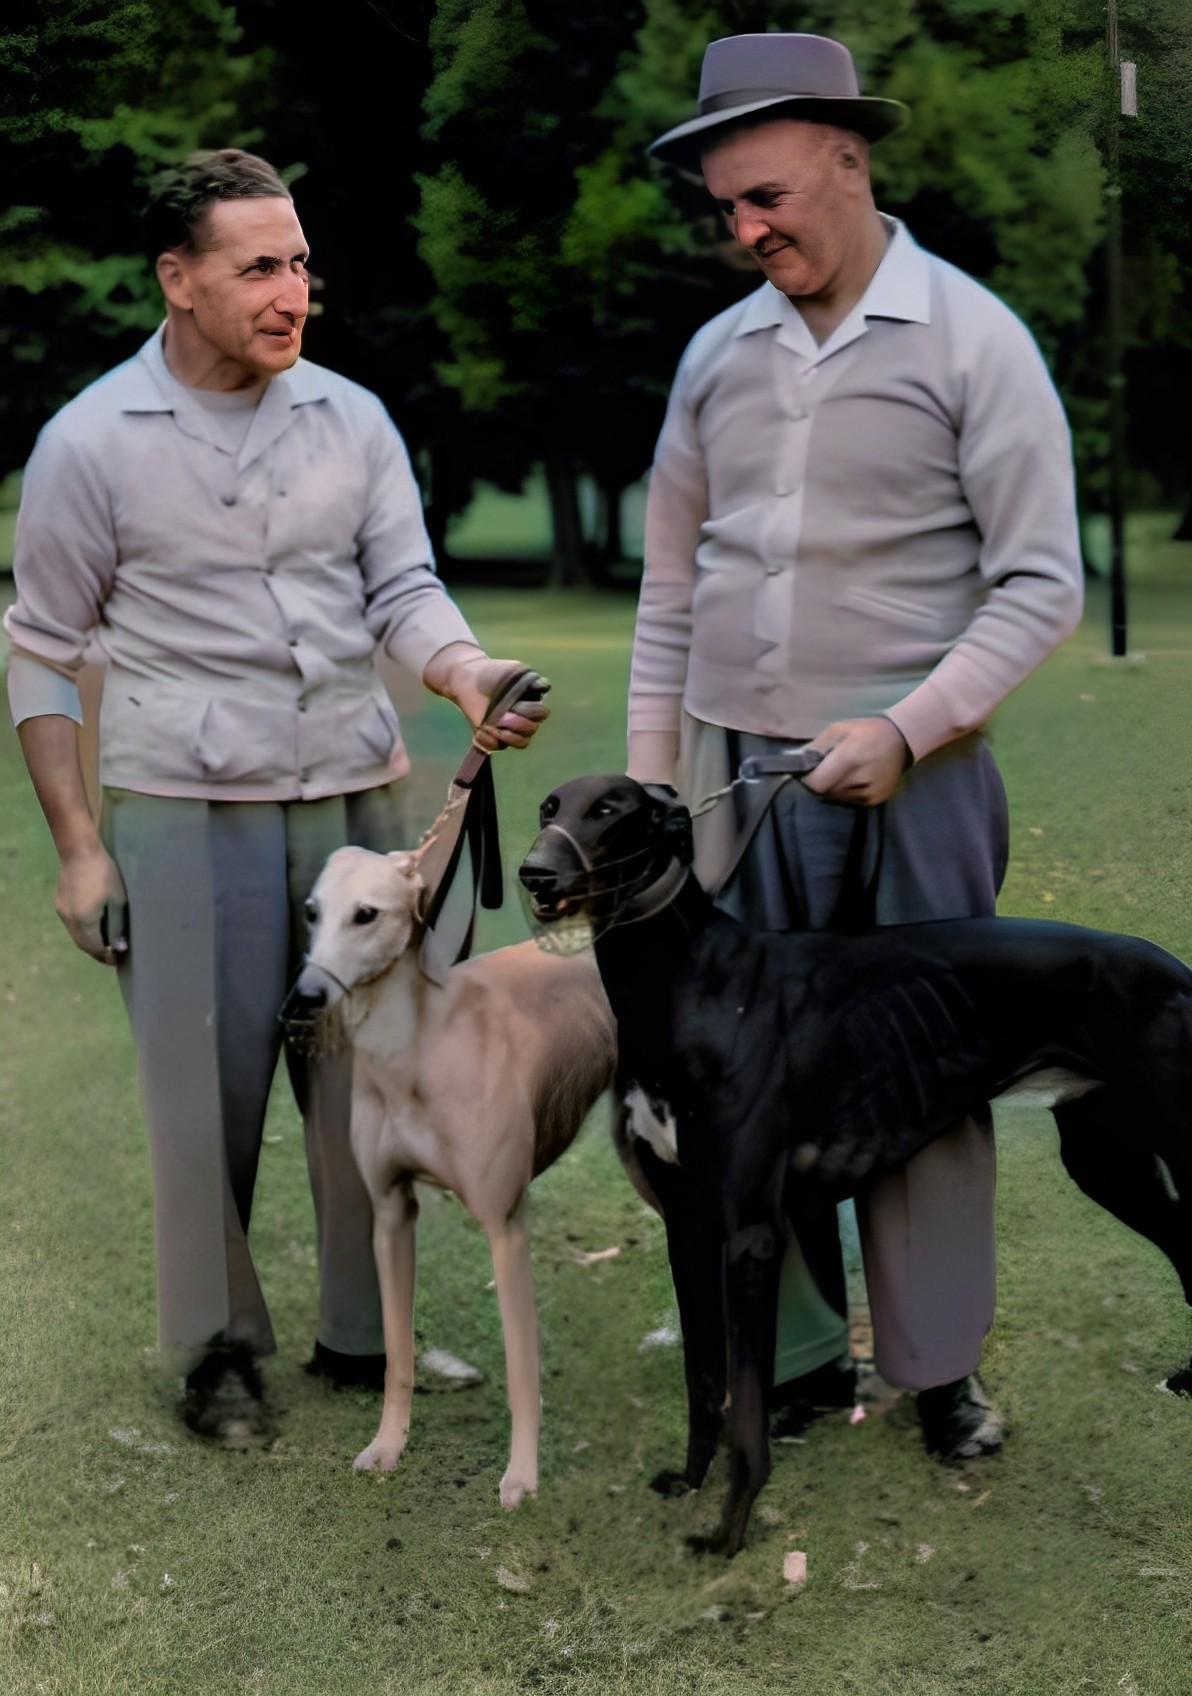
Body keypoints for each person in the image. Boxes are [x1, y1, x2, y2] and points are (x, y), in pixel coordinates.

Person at [5, 148, 549, 1443]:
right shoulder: (89, 441)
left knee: (370, 1070)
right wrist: (79, 847)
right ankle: (216, 1353)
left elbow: (404, 590)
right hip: (182, 807)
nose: (293, 290)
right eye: (260, 266)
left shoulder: (352, 421)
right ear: (178, 279)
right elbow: (41, 652)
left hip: (357, 796)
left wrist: (467, 671)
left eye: (300, 262)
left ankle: (366, 1334)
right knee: (203, 1094)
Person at [630, 35, 1084, 1457]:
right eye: (725, 209)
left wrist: (909, 726)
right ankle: (801, 1356)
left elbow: (1042, 585)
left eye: (765, 197)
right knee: (738, 1070)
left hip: (916, 780)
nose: (745, 232)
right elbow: (669, 584)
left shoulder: (974, 339)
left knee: (925, 1072)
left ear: (848, 159)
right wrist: (650, 780)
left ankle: (939, 1369)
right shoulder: (716, 356)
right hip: (737, 780)